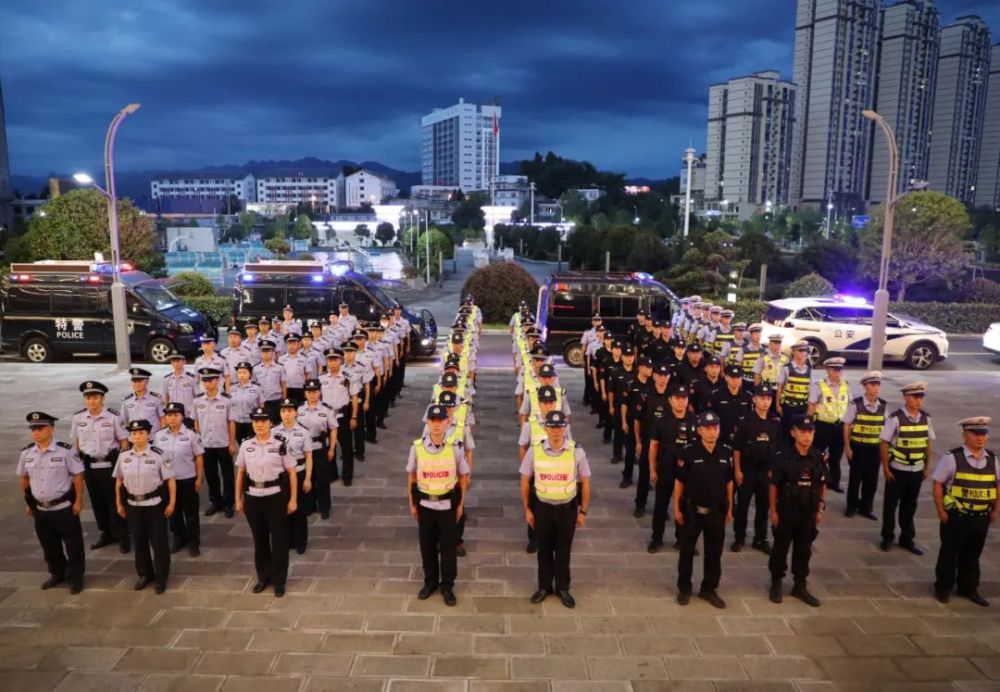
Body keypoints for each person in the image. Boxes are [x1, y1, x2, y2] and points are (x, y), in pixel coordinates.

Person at [521, 410, 591, 609]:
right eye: (552, 427)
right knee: (543, 550)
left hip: (566, 510)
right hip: (542, 509)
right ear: (545, 428)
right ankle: (544, 587)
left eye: (560, 427)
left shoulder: (576, 451)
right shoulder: (535, 450)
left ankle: (563, 588)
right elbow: (525, 480)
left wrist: (583, 511)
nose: (556, 431)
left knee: (563, 551)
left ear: (565, 427)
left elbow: (585, 482)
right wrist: (527, 509)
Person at [408, 404, 470, 607]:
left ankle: (447, 586)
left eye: (440, 420)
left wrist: (460, 504)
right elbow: (411, 477)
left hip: (447, 506)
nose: (436, 424)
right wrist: (412, 504)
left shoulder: (455, 447)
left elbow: (462, 476)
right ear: (427, 423)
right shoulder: (417, 447)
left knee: (448, 549)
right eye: (432, 420)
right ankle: (430, 582)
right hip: (425, 505)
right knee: (427, 547)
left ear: (447, 422)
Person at [932, 417, 998, 606]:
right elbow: (938, 483)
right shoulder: (952, 457)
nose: (980, 438)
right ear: (965, 435)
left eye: (983, 434)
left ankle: (968, 588)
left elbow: (997, 486)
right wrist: (940, 510)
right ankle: (943, 587)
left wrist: (995, 510)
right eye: (975, 434)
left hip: (981, 517)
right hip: (956, 516)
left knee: (972, 554)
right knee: (949, 553)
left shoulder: (992, 459)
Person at [18, 411, 86, 594]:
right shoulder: (27, 453)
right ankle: (58, 573)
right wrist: (28, 502)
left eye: (40, 428)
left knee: (73, 545)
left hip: (63, 507)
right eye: (33, 429)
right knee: (49, 546)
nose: (36, 433)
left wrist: (79, 501)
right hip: (41, 509)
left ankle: (76, 577)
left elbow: (78, 476)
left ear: (51, 428)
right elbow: (24, 479)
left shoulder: (65, 450)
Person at [236, 406, 298, 597]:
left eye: (263, 421)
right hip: (253, 497)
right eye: (256, 422)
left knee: (279, 540)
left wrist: (293, 499)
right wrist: (237, 498)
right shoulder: (246, 445)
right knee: (259, 539)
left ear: (270, 423)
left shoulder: (280, 444)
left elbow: (292, 472)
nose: (259, 425)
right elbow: (240, 473)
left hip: (275, 496)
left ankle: (279, 580)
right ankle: (263, 577)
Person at [674, 411, 733, 609]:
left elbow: (729, 483)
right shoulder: (689, 451)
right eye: (707, 428)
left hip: (716, 512)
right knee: (687, 552)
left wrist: (730, 509)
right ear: (699, 430)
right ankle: (684, 588)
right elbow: (679, 483)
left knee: (714, 554)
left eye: (715, 428)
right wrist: (676, 509)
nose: (711, 432)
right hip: (692, 512)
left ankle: (709, 588)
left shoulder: (726, 452)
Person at [768, 414, 826, 606]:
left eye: (810, 432)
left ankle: (799, 585)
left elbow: (822, 483)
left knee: (804, 550)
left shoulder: (818, 458)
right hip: (787, 511)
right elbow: (774, 485)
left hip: (808, 513)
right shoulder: (783, 457)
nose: (807, 436)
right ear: (793, 433)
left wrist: (820, 508)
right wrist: (773, 511)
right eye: (803, 432)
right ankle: (776, 582)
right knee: (780, 549)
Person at [114, 419, 176, 594]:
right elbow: (119, 481)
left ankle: (161, 577)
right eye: (133, 433)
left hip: (154, 504)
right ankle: (144, 574)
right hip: (133, 504)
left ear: (148, 434)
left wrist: (171, 502)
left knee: (159, 542)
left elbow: (170, 480)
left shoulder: (159, 454)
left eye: (141, 433)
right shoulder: (124, 456)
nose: (137, 436)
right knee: (139, 541)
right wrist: (119, 503)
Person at [71, 381, 129, 553]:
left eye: (95, 397)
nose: (91, 401)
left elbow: (124, 441)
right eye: (88, 398)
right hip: (89, 465)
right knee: (97, 501)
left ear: (102, 398)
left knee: (115, 499)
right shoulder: (78, 418)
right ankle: (106, 532)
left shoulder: (113, 416)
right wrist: (74, 464)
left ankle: (123, 534)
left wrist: (124, 463)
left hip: (110, 464)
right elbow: (76, 442)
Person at [880, 381, 935, 554]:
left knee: (910, 505)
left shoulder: (926, 418)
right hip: (898, 469)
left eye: (921, 397)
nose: (919, 401)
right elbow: (884, 443)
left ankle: (907, 538)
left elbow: (928, 444)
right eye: (915, 397)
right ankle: (887, 537)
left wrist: (927, 467)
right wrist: (886, 468)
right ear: (906, 397)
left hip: (916, 470)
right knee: (890, 505)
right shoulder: (895, 418)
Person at [731, 383, 781, 554]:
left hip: (766, 471)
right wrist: (737, 470)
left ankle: (760, 539)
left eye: (768, 398)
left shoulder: (775, 422)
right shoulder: (746, 422)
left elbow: (778, 449)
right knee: (743, 506)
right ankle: (739, 537)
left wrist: (774, 471)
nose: (766, 402)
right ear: (754, 399)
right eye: (762, 398)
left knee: (763, 507)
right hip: (748, 470)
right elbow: (736, 448)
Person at [648, 382, 697, 553]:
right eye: (677, 398)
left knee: (685, 507)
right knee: (661, 505)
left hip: (687, 472)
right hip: (666, 468)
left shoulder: (694, 420)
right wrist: (652, 470)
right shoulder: (662, 420)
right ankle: (656, 539)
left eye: (684, 398)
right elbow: (653, 446)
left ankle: (682, 539)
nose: (681, 401)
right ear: (670, 400)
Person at [154, 403, 205, 556]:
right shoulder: (159, 436)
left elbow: (198, 457)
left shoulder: (191, 435)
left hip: (187, 480)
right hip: (168, 481)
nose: (172, 418)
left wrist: (199, 478)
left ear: (182, 416)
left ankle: (193, 542)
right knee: (173, 513)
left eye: (176, 415)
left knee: (191, 513)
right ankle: (178, 538)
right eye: (169, 415)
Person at [193, 367, 237, 519]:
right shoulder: (197, 400)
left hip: (223, 443)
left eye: (210, 380)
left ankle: (228, 503)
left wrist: (232, 443)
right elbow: (196, 422)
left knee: (227, 475)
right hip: (206, 444)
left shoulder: (226, 400)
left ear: (218, 381)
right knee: (211, 475)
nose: (207, 383)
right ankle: (215, 501)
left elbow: (231, 422)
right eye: (204, 380)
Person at [843, 371, 886, 519]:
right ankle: (851, 506)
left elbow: (887, 429)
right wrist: (847, 446)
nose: (876, 388)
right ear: (864, 386)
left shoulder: (884, 406)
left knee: (871, 481)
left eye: (878, 384)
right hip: (858, 447)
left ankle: (866, 508)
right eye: (873, 384)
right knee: (855, 479)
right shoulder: (856, 404)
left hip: (875, 449)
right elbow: (846, 425)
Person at [273, 399, 313, 554]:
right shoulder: (274, 432)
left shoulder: (303, 431)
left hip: (299, 472)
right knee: (284, 509)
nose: (287, 414)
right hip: (282, 475)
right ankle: (288, 540)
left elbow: (309, 456)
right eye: (283, 411)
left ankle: (300, 541)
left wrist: (308, 478)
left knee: (300, 510)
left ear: (295, 412)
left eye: (289, 411)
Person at [633, 362, 672, 519]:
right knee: (644, 474)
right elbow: (637, 420)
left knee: (664, 477)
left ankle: (662, 508)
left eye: (666, 375)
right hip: (648, 441)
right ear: (654, 376)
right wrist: (638, 442)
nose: (663, 378)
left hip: (666, 444)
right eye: (660, 375)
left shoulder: (673, 396)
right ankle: (640, 504)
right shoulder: (646, 394)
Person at [297, 378, 338, 519]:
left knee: (322, 479)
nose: (312, 394)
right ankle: (309, 506)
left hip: (320, 448)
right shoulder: (299, 409)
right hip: (304, 450)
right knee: (307, 478)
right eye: (309, 392)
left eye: (314, 392)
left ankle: (324, 507)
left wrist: (332, 448)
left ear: (320, 392)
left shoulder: (326, 409)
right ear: (305, 394)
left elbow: (333, 429)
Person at [808, 357, 850, 493]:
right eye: (834, 370)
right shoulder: (818, 385)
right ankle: (814, 479)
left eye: (839, 370)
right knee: (817, 454)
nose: (837, 373)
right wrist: (810, 426)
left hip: (839, 426)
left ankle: (834, 481)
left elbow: (849, 406)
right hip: (822, 426)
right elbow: (811, 406)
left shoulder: (846, 385)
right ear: (827, 370)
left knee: (836, 456)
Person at [321, 348, 360, 486]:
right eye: (329, 360)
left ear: (340, 361)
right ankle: (332, 473)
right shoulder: (321, 378)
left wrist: (354, 417)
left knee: (346, 447)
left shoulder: (347, 378)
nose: (332, 363)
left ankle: (347, 475)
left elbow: (354, 397)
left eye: (335, 360)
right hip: (326, 418)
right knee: (328, 446)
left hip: (342, 416)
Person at [621, 355, 653, 489]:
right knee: (630, 453)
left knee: (647, 455)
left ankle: (646, 480)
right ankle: (627, 477)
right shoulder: (631, 383)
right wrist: (624, 421)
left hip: (647, 425)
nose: (650, 370)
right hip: (632, 421)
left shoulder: (653, 384)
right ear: (639, 368)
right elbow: (624, 404)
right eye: (647, 367)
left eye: (651, 367)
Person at [342, 341, 374, 462]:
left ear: (355, 353)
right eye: (346, 352)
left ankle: (359, 451)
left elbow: (366, 385)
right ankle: (347, 451)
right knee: (346, 428)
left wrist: (366, 401)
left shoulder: (361, 367)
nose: (349, 354)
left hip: (359, 398)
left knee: (359, 427)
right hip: (344, 400)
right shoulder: (340, 369)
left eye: (351, 352)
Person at [776, 341, 811, 435]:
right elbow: (780, 388)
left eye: (805, 350)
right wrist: (778, 405)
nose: (803, 353)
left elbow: (809, 389)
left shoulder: (808, 369)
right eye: (800, 350)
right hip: (789, 407)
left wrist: (809, 409)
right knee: (787, 431)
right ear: (794, 352)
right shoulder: (786, 368)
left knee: (800, 432)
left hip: (802, 407)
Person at [119, 368, 165, 433]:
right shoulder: (126, 400)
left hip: (152, 437)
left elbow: (162, 418)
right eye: (134, 381)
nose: (137, 384)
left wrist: (161, 434)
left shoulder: (156, 398)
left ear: (147, 381)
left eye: (139, 381)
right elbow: (123, 420)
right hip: (135, 438)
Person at [253, 340, 287, 424]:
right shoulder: (255, 368)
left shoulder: (280, 367)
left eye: (268, 351)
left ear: (273, 353)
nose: (265, 353)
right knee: (263, 424)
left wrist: (283, 401)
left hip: (276, 401)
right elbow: (254, 387)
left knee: (276, 424)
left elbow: (283, 385)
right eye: (263, 351)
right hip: (262, 402)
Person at [231, 361, 264, 445]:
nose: (241, 375)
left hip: (251, 422)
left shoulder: (257, 388)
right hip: (237, 422)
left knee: (252, 445)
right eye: (239, 373)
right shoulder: (232, 388)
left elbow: (261, 405)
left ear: (250, 374)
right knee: (240, 444)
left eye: (244, 372)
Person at [162, 351, 198, 428]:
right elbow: (167, 398)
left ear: (184, 361)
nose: (175, 364)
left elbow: (197, 397)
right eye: (173, 361)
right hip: (173, 416)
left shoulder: (192, 378)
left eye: (178, 361)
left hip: (188, 416)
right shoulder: (167, 379)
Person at [279, 333, 312, 406]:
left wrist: (306, 390)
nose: (292, 346)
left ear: (298, 344)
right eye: (289, 343)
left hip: (299, 390)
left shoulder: (304, 358)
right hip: (285, 390)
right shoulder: (281, 359)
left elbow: (308, 376)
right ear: (286, 344)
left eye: (294, 343)